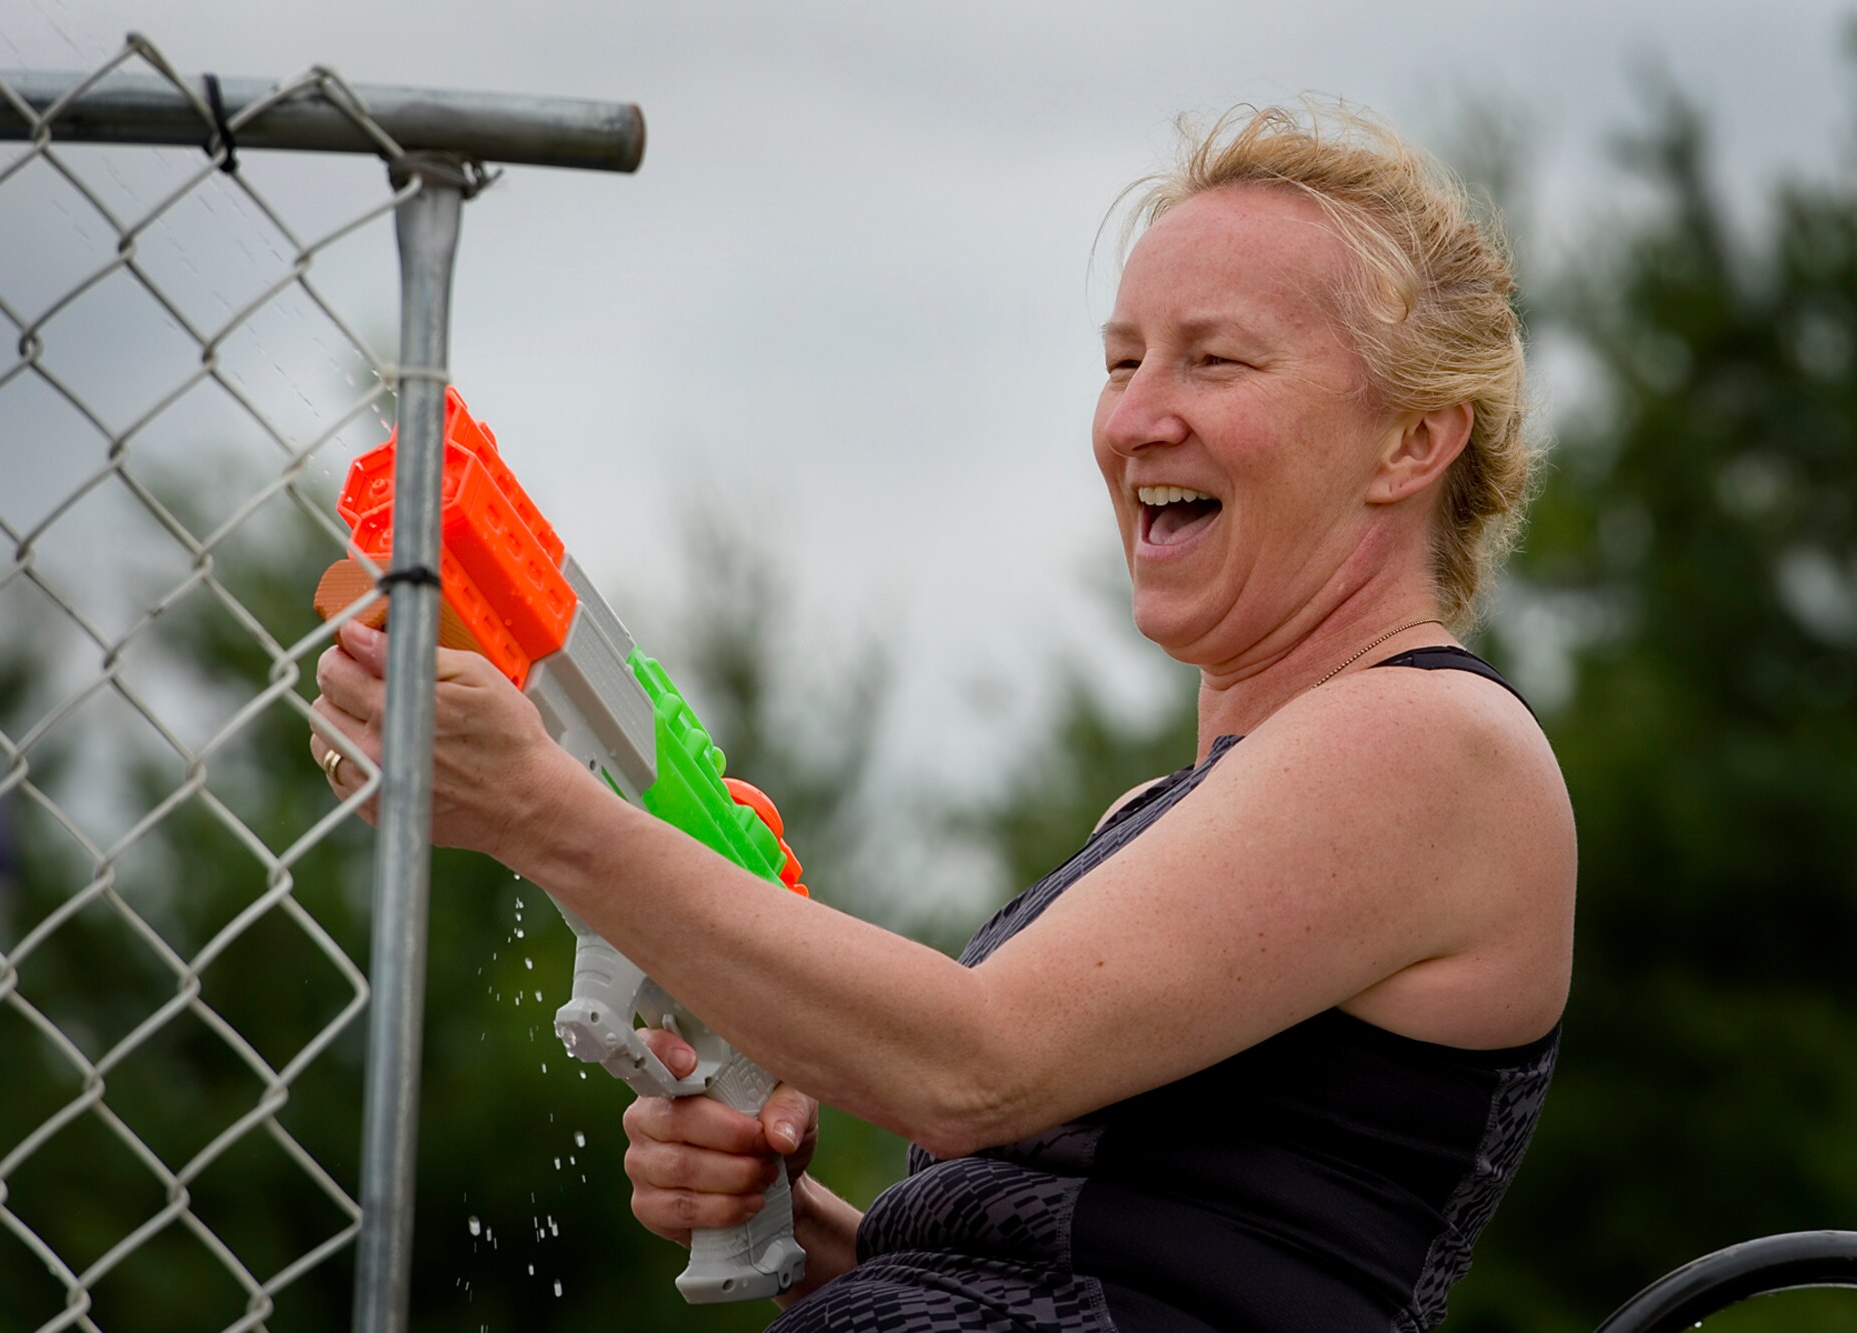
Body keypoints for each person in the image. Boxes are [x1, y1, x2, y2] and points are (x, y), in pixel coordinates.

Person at [309, 102, 1575, 1333]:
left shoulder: (1433, 743)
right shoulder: (1155, 814)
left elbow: (975, 1067)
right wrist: (807, 1233)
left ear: (1413, 438)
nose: (1133, 416)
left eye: (1214, 358)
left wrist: (546, 811)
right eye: (1121, 360)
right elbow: (1093, 1243)